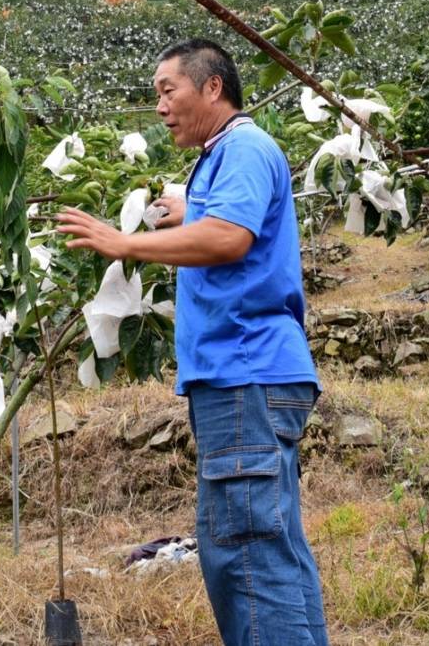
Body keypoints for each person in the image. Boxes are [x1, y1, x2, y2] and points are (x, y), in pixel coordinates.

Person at [57, 38, 327, 646]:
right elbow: (223, 224)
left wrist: (120, 242)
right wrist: (189, 207)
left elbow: (229, 238)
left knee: (246, 553)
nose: (159, 106)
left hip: (244, 373)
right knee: (270, 547)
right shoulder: (224, 156)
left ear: (211, 88)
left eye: (166, 90)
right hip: (246, 375)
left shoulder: (245, 147)